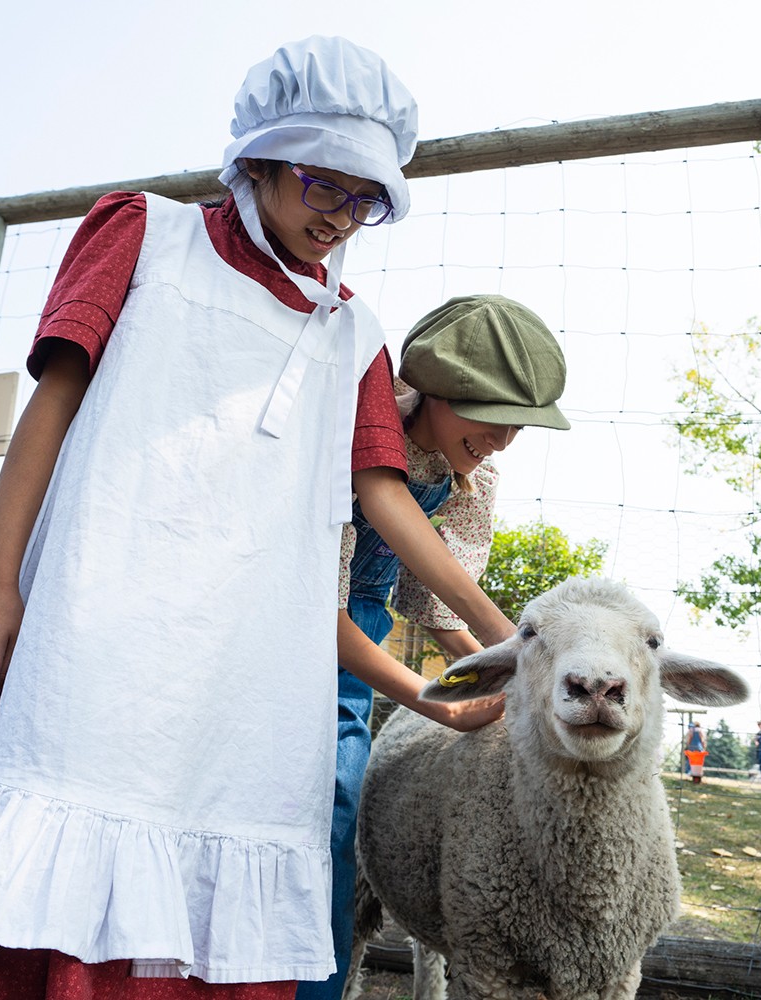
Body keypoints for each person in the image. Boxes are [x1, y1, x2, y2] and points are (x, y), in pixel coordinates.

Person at [0, 37, 510, 999]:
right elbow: (54, 407)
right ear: (258, 158)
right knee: (55, 853)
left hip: (244, 679)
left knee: (207, 874)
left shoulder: (355, 333)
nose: (340, 215)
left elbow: (383, 495)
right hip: (90, 636)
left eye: (366, 198)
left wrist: (511, 635)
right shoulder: (145, 233)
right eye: (322, 181)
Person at [297, 294, 569, 1000]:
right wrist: (435, 701)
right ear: (441, 389)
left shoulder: (466, 476)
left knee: (336, 812)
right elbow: (310, 605)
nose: (506, 439)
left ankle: (312, 990)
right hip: (290, 630)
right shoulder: (356, 430)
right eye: (496, 416)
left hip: (356, 658)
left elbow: (435, 605)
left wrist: (512, 674)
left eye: (521, 425)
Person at [684, 719, 707, 784]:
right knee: (698, 763)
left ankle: (690, 774)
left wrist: (688, 745)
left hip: (692, 747)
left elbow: (690, 738)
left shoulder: (691, 730)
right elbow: (703, 740)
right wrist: (704, 748)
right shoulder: (701, 730)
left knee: (691, 762)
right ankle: (698, 777)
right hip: (699, 748)